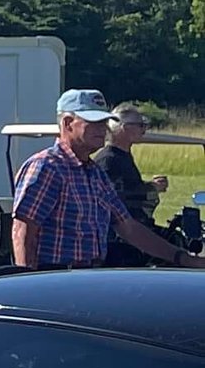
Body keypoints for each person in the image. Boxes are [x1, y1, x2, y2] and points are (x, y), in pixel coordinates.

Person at [12, 90, 201, 273]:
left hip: (91, 275)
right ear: (68, 123)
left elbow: (128, 227)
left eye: (104, 122)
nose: (103, 129)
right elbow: (23, 230)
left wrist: (182, 258)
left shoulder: (95, 173)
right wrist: (26, 283)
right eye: (93, 122)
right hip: (56, 277)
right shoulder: (47, 167)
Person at [98, 104, 161, 228]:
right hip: (121, 234)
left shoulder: (122, 156)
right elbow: (115, 198)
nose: (144, 130)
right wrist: (151, 188)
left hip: (135, 226)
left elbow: (129, 187)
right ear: (124, 128)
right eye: (140, 125)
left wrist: (150, 186)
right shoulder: (109, 160)